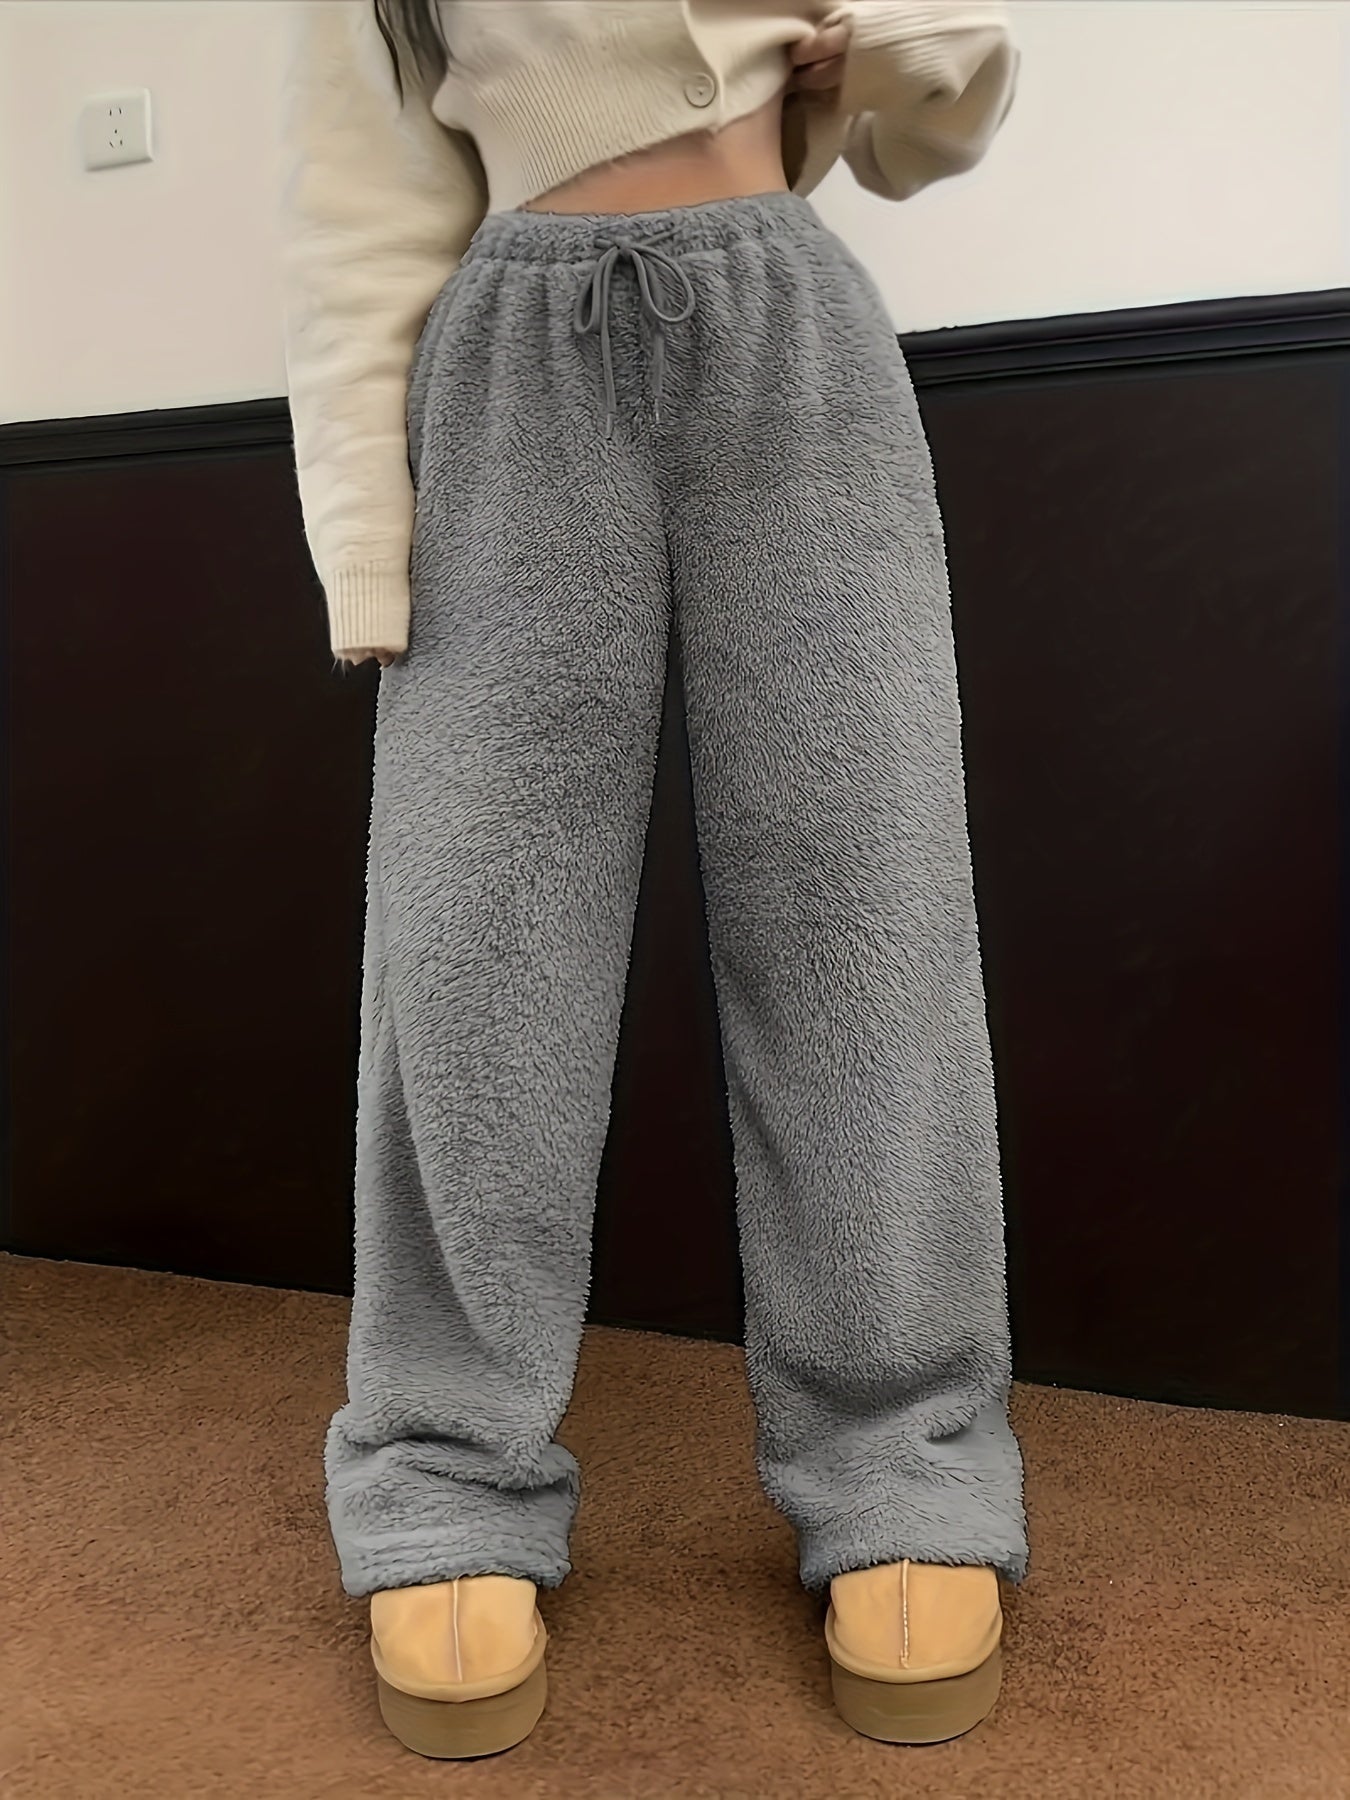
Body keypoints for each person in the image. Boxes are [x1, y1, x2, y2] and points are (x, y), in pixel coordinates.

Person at [278, 0, 1029, 1762]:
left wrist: (879, 49)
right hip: (507, 364)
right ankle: (442, 1465)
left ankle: (903, 1459)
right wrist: (365, 540)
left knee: (864, 913)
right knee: (474, 947)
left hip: (794, 341)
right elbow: (359, 205)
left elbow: (934, 120)